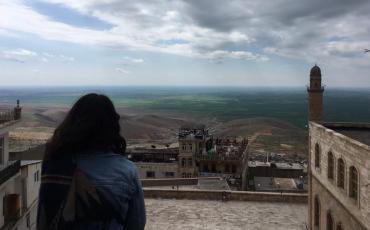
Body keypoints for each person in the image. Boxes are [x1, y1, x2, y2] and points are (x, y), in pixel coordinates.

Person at [37, 93, 146, 230]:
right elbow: (136, 223)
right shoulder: (127, 171)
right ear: (112, 126)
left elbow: (44, 219)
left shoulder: (55, 165)